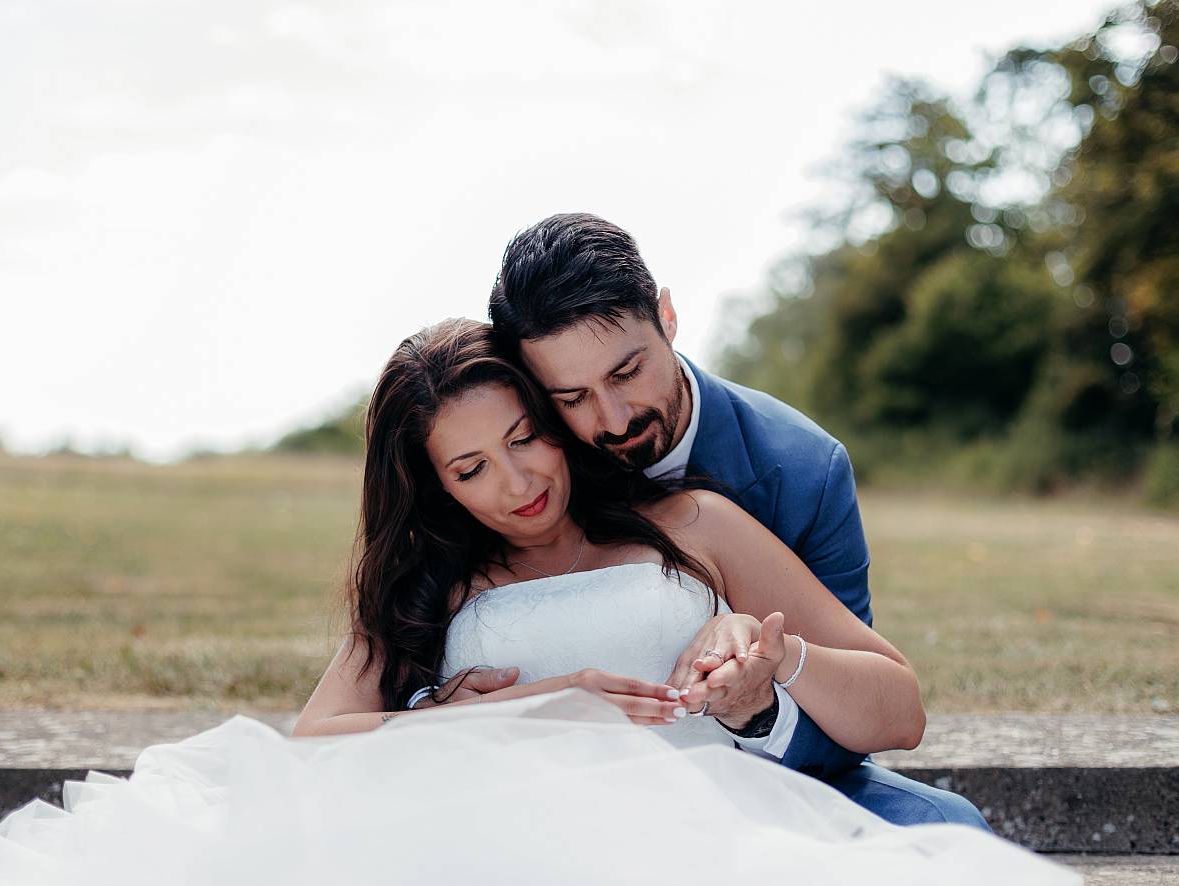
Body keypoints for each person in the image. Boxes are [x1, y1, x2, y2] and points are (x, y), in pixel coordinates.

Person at [0, 318, 1145, 886]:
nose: (516, 482)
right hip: (479, 833)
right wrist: (486, 711)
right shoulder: (436, 578)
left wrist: (770, 662)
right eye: (469, 468)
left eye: (525, 436)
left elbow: (896, 700)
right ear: (433, 484)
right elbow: (314, 739)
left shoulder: (692, 523)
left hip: (702, 817)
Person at [415, 211, 984, 828]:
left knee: (948, 830)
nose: (612, 420)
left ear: (667, 316)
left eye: (627, 373)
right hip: (529, 809)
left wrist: (760, 702)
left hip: (758, 785)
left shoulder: (801, 471)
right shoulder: (512, 469)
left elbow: (859, 718)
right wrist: (434, 706)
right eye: (571, 398)